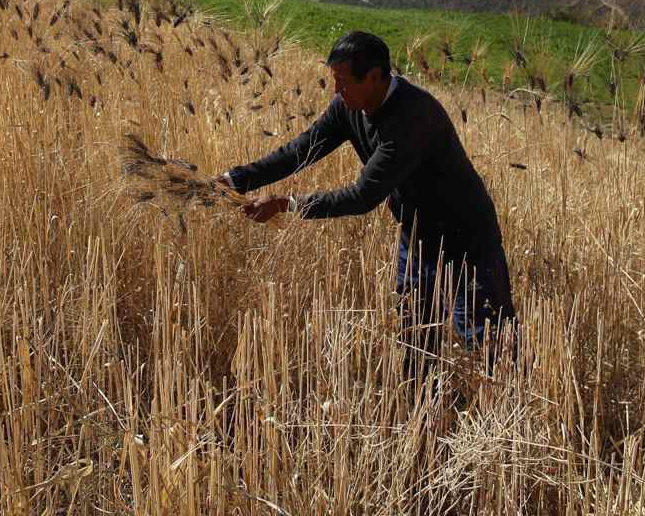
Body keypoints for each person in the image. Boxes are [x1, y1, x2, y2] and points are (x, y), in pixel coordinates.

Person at [217, 30, 518, 385]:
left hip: (467, 241)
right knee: (417, 341)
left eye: (343, 82)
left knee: (489, 343)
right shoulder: (348, 106)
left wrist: (287, 204)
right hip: (418, 236)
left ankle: (513, 419)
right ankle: (424, 420)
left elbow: (362, 197)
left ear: (375, 76)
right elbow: (301, 150)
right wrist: (236, 179)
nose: (336, 92)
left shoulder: (411, 119)